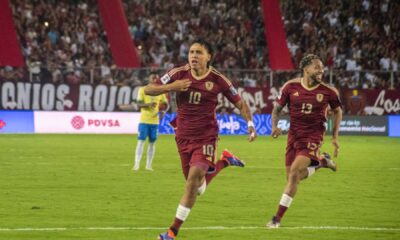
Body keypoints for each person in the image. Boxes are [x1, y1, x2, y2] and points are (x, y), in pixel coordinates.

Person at [144, 39, 257, 240]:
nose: (193, 56)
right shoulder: (178, 74)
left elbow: (240, 103)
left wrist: (250, 125)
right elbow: (148, 89)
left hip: (206, 137)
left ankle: (172, 232)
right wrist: (172, 87)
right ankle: (224, 161)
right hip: (183, 136)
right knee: (197, 187)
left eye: (198, 52)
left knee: (193, 182)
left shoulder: (218, 79)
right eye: (191, 52)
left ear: (208, 57)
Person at [266, 54, 343, 228]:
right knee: (292, 178)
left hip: (313, 137)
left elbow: (338, 111)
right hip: (293, 137)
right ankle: (322, 162)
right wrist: (274, 126)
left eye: (322, 68)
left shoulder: (328, 92)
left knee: (294, 173)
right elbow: (277, 109)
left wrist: (335, 136)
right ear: (306, 68)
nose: (321, 70)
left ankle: (276, 219)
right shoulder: (290, 87)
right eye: (317, 67)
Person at [119, 72, 169, 171]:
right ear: (149, 79)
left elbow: (166, 104)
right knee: (141, 141)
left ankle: (148, 166)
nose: (155, 79)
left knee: (152, 143)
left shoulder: (161, 91)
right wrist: (148, 105)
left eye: (156, 78)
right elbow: (138, 104)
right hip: (144, 120)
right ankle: (136, 164)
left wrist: (163, 111)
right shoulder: (143, 89)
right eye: (153, 77)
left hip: (155, 122)